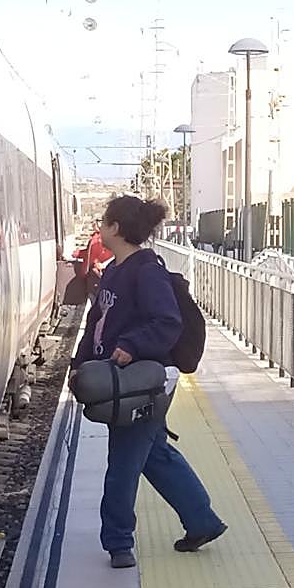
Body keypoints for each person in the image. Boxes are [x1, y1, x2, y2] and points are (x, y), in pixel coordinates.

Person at [70, 195, 227, 569]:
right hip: (124, 380)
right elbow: (97, 322)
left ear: (117, 229)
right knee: (154, 453)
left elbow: (167, 321)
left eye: (104, 221)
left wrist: (131, 346)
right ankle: (202, 521)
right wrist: (80, 362)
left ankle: (119, 543)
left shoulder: (146, 271)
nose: (99, 227)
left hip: (142, 381)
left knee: (123, 460)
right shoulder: (114, 270)